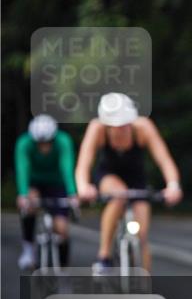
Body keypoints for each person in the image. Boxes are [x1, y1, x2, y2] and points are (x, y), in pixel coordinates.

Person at [74, 93, 183, 274]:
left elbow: (165, 160)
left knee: (141, 235)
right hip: (109, 176)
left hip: (136, 179)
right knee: (119, 195)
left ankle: (144, 284)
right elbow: (83, 163)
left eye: (124, 124)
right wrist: (83, 186)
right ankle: (104, 256)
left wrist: (173, 185)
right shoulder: (97, 128)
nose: (120, 129)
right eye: (115, 125)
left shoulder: (143, 128)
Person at [14, 114, 78, 270]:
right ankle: (28, 250)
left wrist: (72, 193)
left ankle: (63, 264)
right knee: (29, 205)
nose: (44, 147)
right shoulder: (24, 143)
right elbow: (23, 168)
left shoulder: (63, 141)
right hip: (35, 182)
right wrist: (22, 194)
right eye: (39, 143)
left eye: (47, 143)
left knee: (61, 227)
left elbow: (67, 166)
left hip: (57, 183)